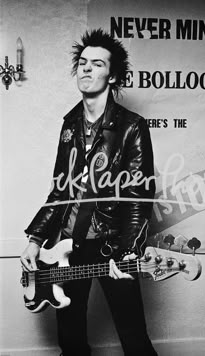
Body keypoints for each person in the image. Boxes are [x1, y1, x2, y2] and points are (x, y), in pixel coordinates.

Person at [20, 29, 158, 356]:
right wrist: (35, 239)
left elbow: (138, 198)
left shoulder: (131, 127)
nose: (86, 69)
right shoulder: (69, 125)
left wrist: (130, 251)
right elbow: (60, 191)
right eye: (82, 62)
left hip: (113, 247)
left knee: (134, 339)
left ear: (112, 76)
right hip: (67, 248)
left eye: (97, 64)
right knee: (70, 340)